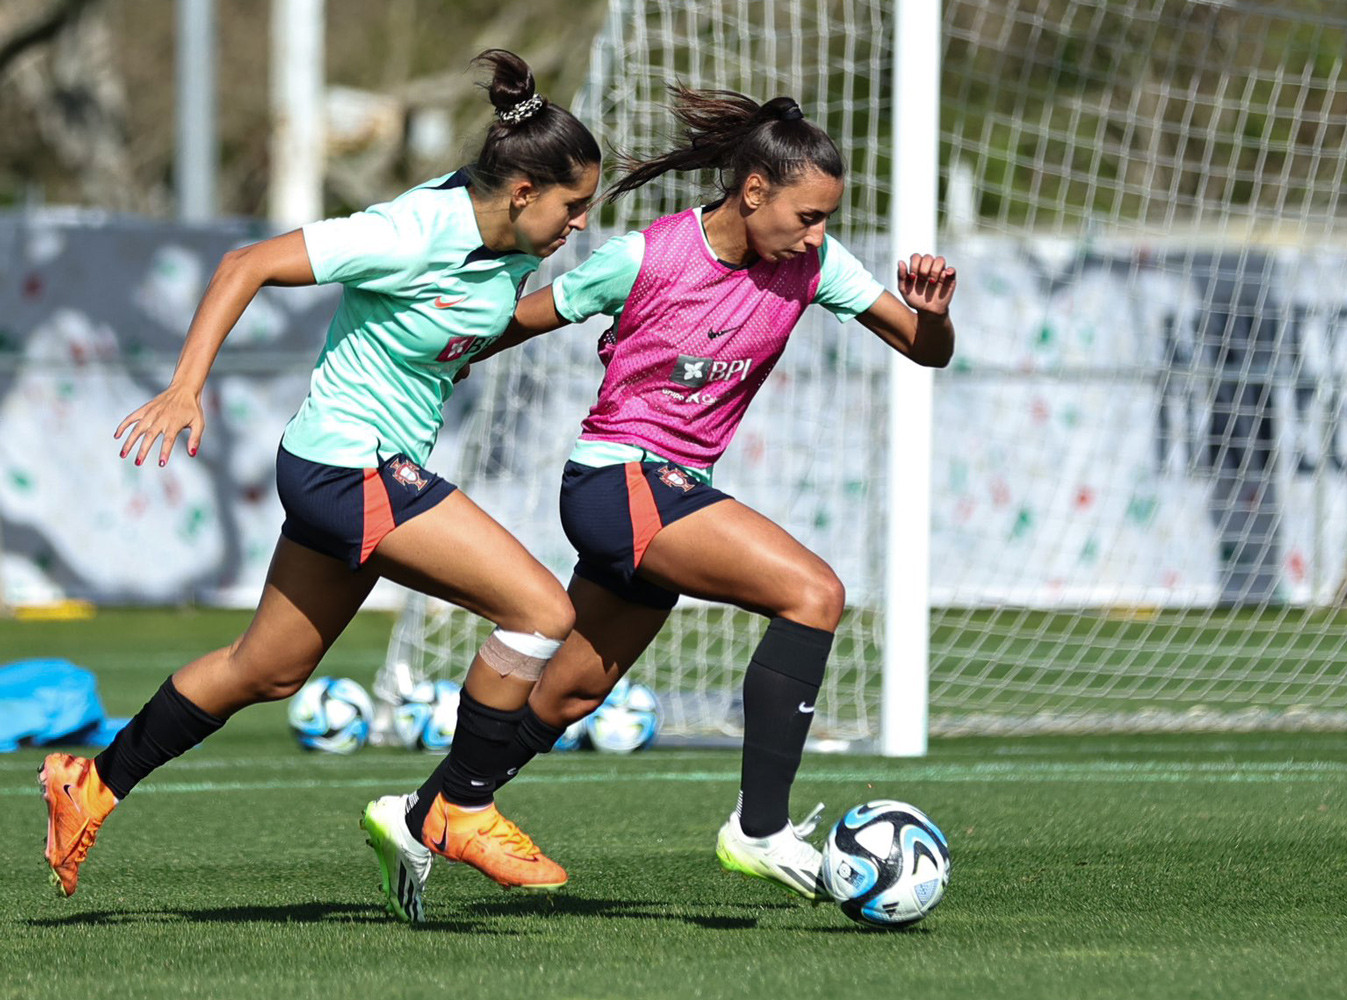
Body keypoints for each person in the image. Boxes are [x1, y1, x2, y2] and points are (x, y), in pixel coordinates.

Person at [363, 86, 956, 922]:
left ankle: (420, 815)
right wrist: (415, 363)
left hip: (671, 490)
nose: (817, 234)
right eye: (808, 215)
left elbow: (925, 350)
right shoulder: (646, 256)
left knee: (565, 699)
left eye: (827, 218)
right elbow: (518, 320)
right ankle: (760, 828)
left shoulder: (816, 265)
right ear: (754, 191)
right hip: (617, 481)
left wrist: (934, 317)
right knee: (813, 593)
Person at [38, 49, 601, 923]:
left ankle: (92, 783)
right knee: (540, 613)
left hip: (351, 469)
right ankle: (456, 807)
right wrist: (186, 386)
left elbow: (466, 330)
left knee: (265, 670)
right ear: (524, 192)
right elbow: (245, 263)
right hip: (351, 466)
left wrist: (582, 308)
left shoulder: (513, 241)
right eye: (573, 206)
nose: (580, 224)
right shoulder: (409, 233)